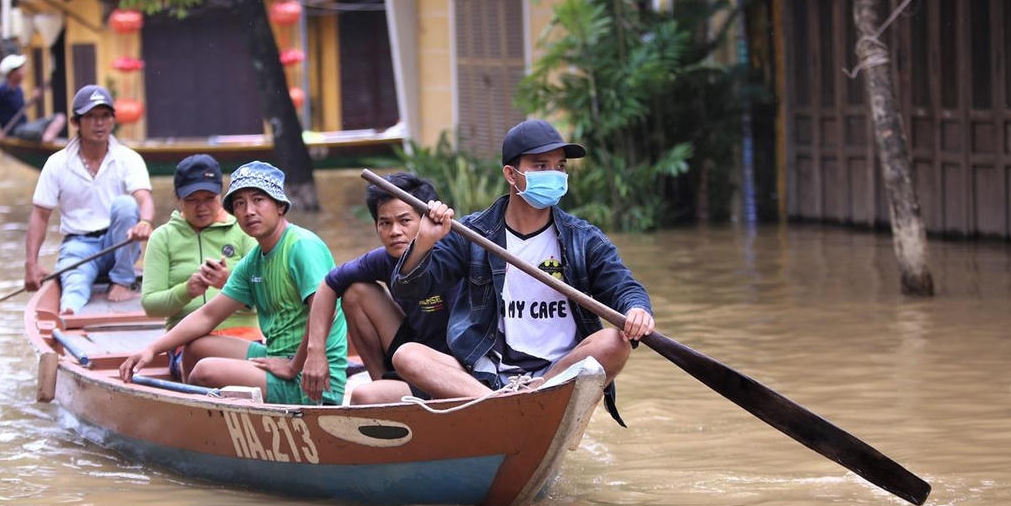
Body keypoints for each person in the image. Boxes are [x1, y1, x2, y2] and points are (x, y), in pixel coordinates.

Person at [389, 119, 654, 424]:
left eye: (560, 166)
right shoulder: (473, 233)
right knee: (407, 355)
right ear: (511, 175)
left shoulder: (584, 238)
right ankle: (495, 405)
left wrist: (637, 309)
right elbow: (407, 289)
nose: (554, 175)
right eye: (541, 166)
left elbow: (623, 286)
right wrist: (424, 241)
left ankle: (536, 396)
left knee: (614, 342)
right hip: (488, 377)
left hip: (557, 377)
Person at [119, 161, 349, 406]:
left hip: (313, 377)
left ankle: (204, 423)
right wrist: (151, 349)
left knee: (205, 371)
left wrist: (296, 365)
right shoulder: (253, 261)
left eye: (258, 200)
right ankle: (195, 421)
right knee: (196, 347)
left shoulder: (301, 245)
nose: (249, 211)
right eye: (240, 203)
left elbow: (326, 309)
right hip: (277, 357)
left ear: (280, 206)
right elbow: (208, 315)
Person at [279, 172, 454, 405]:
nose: (394, 232)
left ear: (426, 222)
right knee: (355, 292)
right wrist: (315, 352)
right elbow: (329, 284)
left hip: (453, 369)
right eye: (385, 223)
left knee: (362, 395)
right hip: (409, 354)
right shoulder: (384, 259)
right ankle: (383, 384)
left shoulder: (452, 256)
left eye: (404, 221)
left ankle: (382, 397)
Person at [25, 84, 155, 315]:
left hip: (119, 243)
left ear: (113, 120)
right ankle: (69, 314)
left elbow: (144, 199)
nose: (99, 123)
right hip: (79, 246)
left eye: (105, 116)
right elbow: (40, 215)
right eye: (91, 117)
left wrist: (145, 222)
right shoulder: (57, 163)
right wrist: (31, 264)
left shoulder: (128, 158)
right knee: (73, 292)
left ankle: (123, 281)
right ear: (76, 122)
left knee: (125, 205)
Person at [140, 154, 262, 379]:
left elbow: (268, 294)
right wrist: (187, 290)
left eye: (209, 198)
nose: (202, 207)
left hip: (245, 337)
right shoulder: (162, 237)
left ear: (221, 195)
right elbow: (151, 305)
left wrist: (229, 281)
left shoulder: (245, 230)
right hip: (187, 344)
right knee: (205, 363)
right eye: (192, 200)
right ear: (178, 199)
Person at [0, 53, 66, 143]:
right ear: (12, 73)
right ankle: (45, 141)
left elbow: (21, 109)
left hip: (26, 126)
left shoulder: (19, 90)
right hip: (14, 131)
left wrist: (33, 100)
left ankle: (46, 141)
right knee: (38, 132)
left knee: (60, 118)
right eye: (21, 69)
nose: (24, 71)